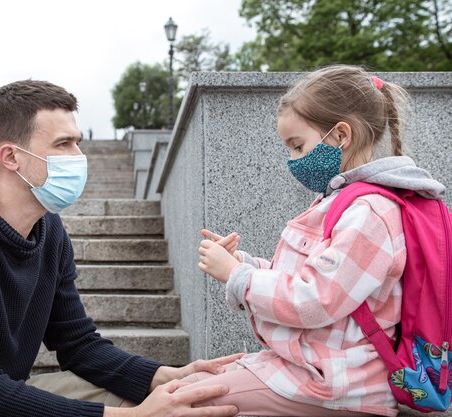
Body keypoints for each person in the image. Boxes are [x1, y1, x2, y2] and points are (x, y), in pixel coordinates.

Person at [0, 80, 240, 417]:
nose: (79, 157)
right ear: (11, 156)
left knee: (162, 398)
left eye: (77, 143)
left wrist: (162, 377)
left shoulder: (47, 228)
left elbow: (78, 345)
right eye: (64, 144)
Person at [187, 65, 446, 417]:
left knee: (183, 402)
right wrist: (246, 264)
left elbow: (316, 300)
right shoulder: (341, 202)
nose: (292, 160)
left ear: (341, 135)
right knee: (180, 389)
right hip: (313, 369)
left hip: (337, 383)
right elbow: (308, 279)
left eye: (298, 145)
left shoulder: (369, 212)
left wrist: (238, 276)